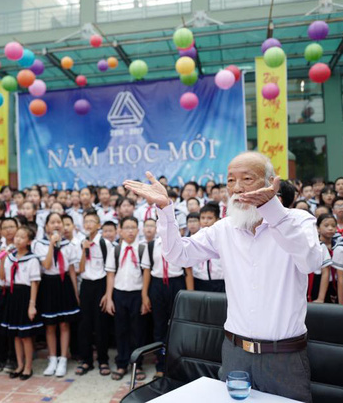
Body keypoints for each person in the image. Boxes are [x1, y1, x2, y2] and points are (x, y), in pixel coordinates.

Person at [124, 152, 322, 402]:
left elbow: (311, 262)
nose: (237, 188)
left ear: (270, 182)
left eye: (247, 179)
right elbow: (178, 254)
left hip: (283, 356)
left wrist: (271, 210)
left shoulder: (297, 220)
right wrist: (165, 209)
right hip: (235, 353)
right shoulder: (224, 228)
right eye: (230, 180)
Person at [142, 220, 192, 378]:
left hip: (176, 284)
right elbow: (147, 271)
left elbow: (188, 271)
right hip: (157, 285)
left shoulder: (180, 243)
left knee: (177, 325)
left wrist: (190, 296)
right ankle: (161, 365)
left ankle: (177, 364)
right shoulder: (151, 246)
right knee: (159, 325)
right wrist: (144, 295)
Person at [34, 212, 80, 378]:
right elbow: (46, 265)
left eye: (58, 222)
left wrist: (75, 292)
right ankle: (52, 358)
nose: (56, 225)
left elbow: (72, 270)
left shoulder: (69, 245)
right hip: (48, 284)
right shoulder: (39, 244)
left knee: (64, 324)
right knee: (50, 325)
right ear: (46, 226)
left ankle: (63, 359)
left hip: (64, 284)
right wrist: (51, 245)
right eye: (52, 222)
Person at [104, 216, 148, 382]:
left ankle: (138, 364)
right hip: (119, 293)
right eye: (127, 228)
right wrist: (109, 298)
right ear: (120, 231)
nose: (130, 231)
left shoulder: (142, 248)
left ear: (138, 230)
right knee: (121, 329)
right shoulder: (115, 250)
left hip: (137, 294)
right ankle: (121, 363)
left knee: (138, 330)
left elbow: (146, 273)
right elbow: (110, 275)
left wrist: (144, 297)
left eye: (133, 227)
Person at [0, 226, 41, 381]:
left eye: (22, 237)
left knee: (25, 335)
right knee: (15, 334)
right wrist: (2, 260)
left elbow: (34, 283)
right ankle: (20, 364)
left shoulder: (32, 259)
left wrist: (32, 304)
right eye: (17, 236)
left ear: (29, 241)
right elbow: (2, 277)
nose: (17, 239)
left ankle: (28, 366)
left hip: (25, 296)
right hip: (12, 295)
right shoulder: (10, 257)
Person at [76, 210, 113, 377]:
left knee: (101, 325)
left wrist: (107, 293)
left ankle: (103, 360)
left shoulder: (105, 244)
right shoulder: (81, 242)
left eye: (92, 221)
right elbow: (80, 268)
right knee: (85, 325)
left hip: (101, 285)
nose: (88, 224)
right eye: (86, 222)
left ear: (98, 225)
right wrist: (84, 250)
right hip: (86, 285)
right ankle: (86, 360)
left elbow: (110, 270)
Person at [0, 217, 19, 374]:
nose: (9, 230)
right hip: (0, 290)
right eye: (5, 227)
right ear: (0, 231)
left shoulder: (22, 248)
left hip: (15, 290)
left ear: (18, 228)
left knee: (13, 324)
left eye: (12, 226)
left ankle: (13, 358)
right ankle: (0, 358)